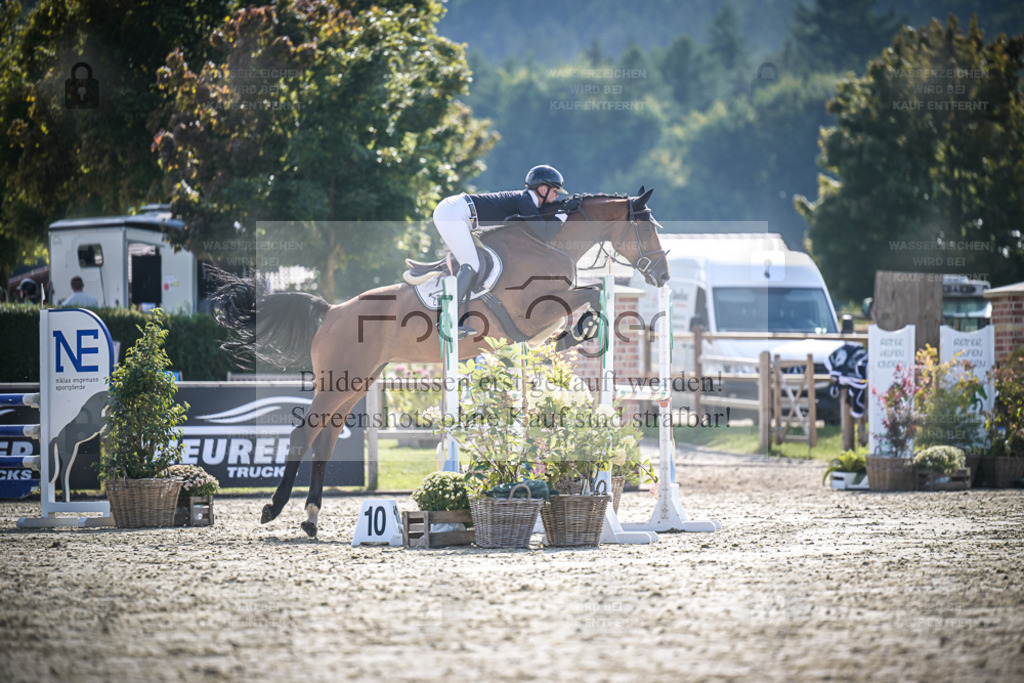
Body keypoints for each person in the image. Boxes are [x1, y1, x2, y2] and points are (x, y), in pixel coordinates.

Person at [433, 165, 568, 337]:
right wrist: (563, 214)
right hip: (453, 214)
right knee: (471, 265)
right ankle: (445, 320)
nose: (556, 196)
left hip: (458, 213)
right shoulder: (525, 200)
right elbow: (545, 233)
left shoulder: (526, 201)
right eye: (555, 191)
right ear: (543, 189)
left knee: (474, 263)